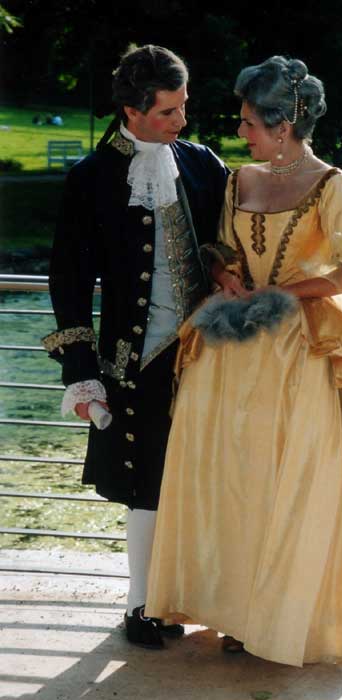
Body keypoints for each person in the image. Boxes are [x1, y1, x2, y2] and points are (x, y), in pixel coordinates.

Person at [145, 55, 342, 666]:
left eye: (250, 122)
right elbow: (221, 250)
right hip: (229, 354)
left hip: (297, 357)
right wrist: (227, 277)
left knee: (282, 485)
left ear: (283, 128)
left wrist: (283, 293)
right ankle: (232, 612)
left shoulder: (331, 184)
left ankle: (274, 618)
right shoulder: (239, 179)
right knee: (231, 484)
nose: (241, 132)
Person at [42, 44, 229, 649]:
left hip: (207, 355)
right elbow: (69, 281)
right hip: (135, 359)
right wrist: (81, 372)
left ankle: (192, 599)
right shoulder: (92, 178)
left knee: (202, 480)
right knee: (146, 485)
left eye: (183, 106)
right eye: (169, 111)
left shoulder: (202, 164)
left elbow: (232, 242)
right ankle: (141, 605)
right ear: (132, 109)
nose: (182, 120)